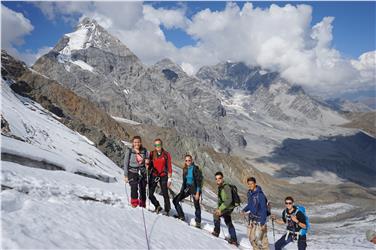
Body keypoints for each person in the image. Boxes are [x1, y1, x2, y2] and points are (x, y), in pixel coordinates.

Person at [173, 154, 202, 227]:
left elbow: (199, 182)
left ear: (191, 160)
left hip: (195, 189)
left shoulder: (195, 169)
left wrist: (198, 193)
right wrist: (181, 192)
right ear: (185, 161)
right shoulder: (185, 169)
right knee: (175, 200)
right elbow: (184, 181)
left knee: (196, 205)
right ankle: (181, 215)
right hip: (188, 188)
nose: (188, 162)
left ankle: (198, 222)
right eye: (186, 160)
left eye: (189, 160)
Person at [241, 177, 269, 250]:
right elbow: (250, 205)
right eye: (249, 184)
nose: (250, 185)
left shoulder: (260, 195)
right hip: (252, 219)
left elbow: (264, 209)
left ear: (255, 184)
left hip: (260, 220)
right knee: (251, 237)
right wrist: (244, 210)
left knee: (263, 241)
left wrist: (263, 223)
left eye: (252, 184)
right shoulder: (250, 193)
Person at [212, 171, 238, 246]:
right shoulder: (221, 186)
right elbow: (221, 199)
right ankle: (234, 239)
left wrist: (220, 209)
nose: (218, 180)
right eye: (216, 179)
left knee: (216, 214)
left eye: (219, 178)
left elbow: (229, 199)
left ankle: (216, 232)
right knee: (228, 221)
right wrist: (219, 207)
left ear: (222, 178)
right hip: (228, 206)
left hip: (228, 206)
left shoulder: (226, 186)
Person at [123, 136, 149, 208]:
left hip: (142, 171)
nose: (137, 143)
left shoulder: (144, 150)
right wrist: (126, 175)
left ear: (140, 143)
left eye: (138, 142)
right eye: (135, 142)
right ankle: (134, 203)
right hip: (132, 171)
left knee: (143, 188)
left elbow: (147, 159)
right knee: (134, 186)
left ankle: (142, 204)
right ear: (133, 143)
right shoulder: (130, 151)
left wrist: (147, 161)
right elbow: (126, 163)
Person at [148, 138, 172, 215]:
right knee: (150, 193)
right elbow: (150, 165)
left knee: (165, 193)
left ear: (161, 145)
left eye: (159, 144)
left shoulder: (166, 154)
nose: (157, 146)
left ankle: (167, 210)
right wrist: (147, 165)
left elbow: (169, 166)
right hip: (154, 175)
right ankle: (157, 206)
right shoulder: (152, 154)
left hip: (163, 175)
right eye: (156, 145)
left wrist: (170, 179)